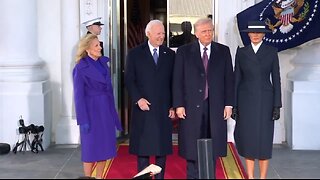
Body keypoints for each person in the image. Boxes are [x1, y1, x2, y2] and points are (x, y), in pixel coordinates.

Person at [172, 17, 234, 179]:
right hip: (190, 107)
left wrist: (229, 104)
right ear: (196, 33)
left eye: (210, 31)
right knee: (192, 145)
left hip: (215, 106)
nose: (208, 34)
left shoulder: (223, 51)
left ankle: (209, 175)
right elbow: (177, 80)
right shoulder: (184, 52)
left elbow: (229, 79)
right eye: (204, 31)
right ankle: (192, 176)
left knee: (212, 145)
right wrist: (178, 105)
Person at [124, 19, 176, 179]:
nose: (162, 37)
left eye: (163, 33)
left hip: (163, 109)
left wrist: (173, 106)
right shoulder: (134, 54)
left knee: (161, 149)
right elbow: (129, 80)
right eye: (158, 33)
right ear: (148, 34)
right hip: (143, 108)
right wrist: (138, 99)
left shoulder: (170, 54)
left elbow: (174, 82)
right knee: (143, 149)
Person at [232, 20, 282, 179]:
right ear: (248, 34)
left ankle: (262, 178)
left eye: (258, 32)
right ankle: (251, 177)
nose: (255, 35)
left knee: (264, 141)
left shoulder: (272, 52)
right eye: (252, 32)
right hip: (245, 101)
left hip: (266, 101)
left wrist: (277, 105)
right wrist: (234, 105)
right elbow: (236, 79)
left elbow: (276, 79)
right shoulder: (241, 52)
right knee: (248, 140)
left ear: (263, 35)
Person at [72, 34, 122, 179]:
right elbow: (78, 96)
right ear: (87, 49)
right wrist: (83, 120)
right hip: (91, 111)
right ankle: (88, 177)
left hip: (105, 110)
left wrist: (113, 114)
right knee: (90, 149)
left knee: (104, 147)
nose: (100, 47)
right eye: (96, 46)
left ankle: (100, 177)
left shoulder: (103, 64)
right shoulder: (80, 68)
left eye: (99, 45)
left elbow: (109, 91)